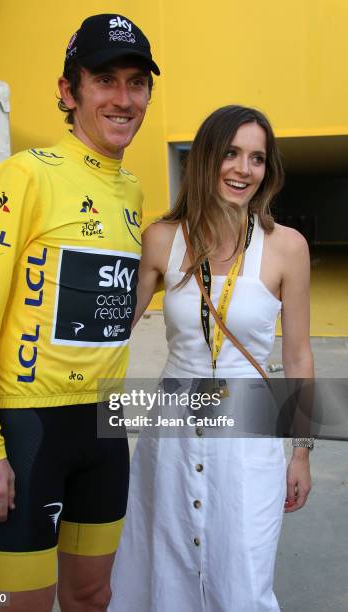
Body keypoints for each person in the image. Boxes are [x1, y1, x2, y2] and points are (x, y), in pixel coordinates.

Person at [0, 13, 159, 612]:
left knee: (93, 596)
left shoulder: (134, 191)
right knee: (22, 607)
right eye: (106, 81)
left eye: (137, 83)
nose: (124, 99)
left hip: (106, 426)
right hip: (28, 429)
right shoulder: (23, 175)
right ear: (69, 91)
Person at [109, 105, 314, 611]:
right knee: (166, 563)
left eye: (257, 158)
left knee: (242, 572)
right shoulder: (162, 238)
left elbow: (298, 355)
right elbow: (114, 328)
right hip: (172, 428)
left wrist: (302, 452)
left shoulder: (287, 247)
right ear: (205, 158)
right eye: (231, 153)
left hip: (249, 432)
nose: (244, 169)